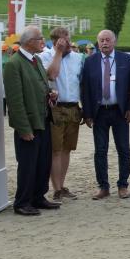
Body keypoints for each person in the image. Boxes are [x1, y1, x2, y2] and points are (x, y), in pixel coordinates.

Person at [3, 26, 57, 216]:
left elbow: (41, 86)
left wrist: (50, 94)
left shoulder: (36, 61)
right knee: (28, 164)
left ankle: (38, 196)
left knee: (43, 162)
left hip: (43, 119)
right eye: (39, 39)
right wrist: (23, 128)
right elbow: (15, 100)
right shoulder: (13, 64)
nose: (43, 41)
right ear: (28, 42)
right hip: (29, 124)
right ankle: (22, 201)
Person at [80, 29, 130, 200]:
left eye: (107, 40)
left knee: (124, 149)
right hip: (99, 113)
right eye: (101, 40)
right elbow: (85, 89)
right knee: (100, 151)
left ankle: (123, 185)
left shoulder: (125, 59)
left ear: (114, 41)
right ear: (98, 42)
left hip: (120, 112)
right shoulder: (90, 61)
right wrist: (87, 113)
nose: (104, 43)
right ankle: (103, 186)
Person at [41, 26, 85, 201]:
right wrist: (58, 53)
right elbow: (51, 75)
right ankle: (56, 188)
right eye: (62, 40)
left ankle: (62, 184)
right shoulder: (44, 56)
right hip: (55, 108)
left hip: (73, 107)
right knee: (56, 150)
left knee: (67, 149)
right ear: (54, 41)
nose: (67, 43)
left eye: (68, 39)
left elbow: (81, 83)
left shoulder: (77, 58)